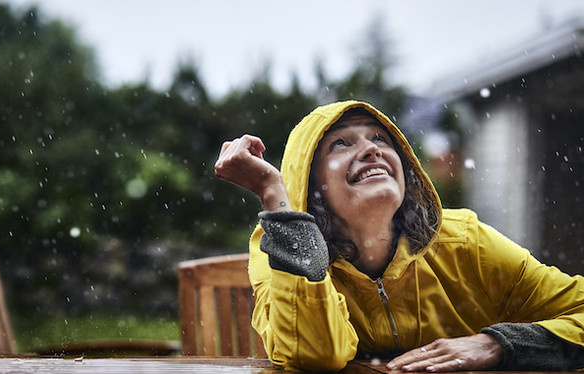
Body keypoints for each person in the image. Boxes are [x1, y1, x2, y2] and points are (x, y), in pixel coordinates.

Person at [214, 100, 584, 372]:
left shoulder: (465, 242)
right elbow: (315, 355)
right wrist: (274, 192)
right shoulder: (279, 247)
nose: (371, 148)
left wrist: (498, 344)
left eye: (380, 138)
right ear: (310, 186)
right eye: (341, 143)